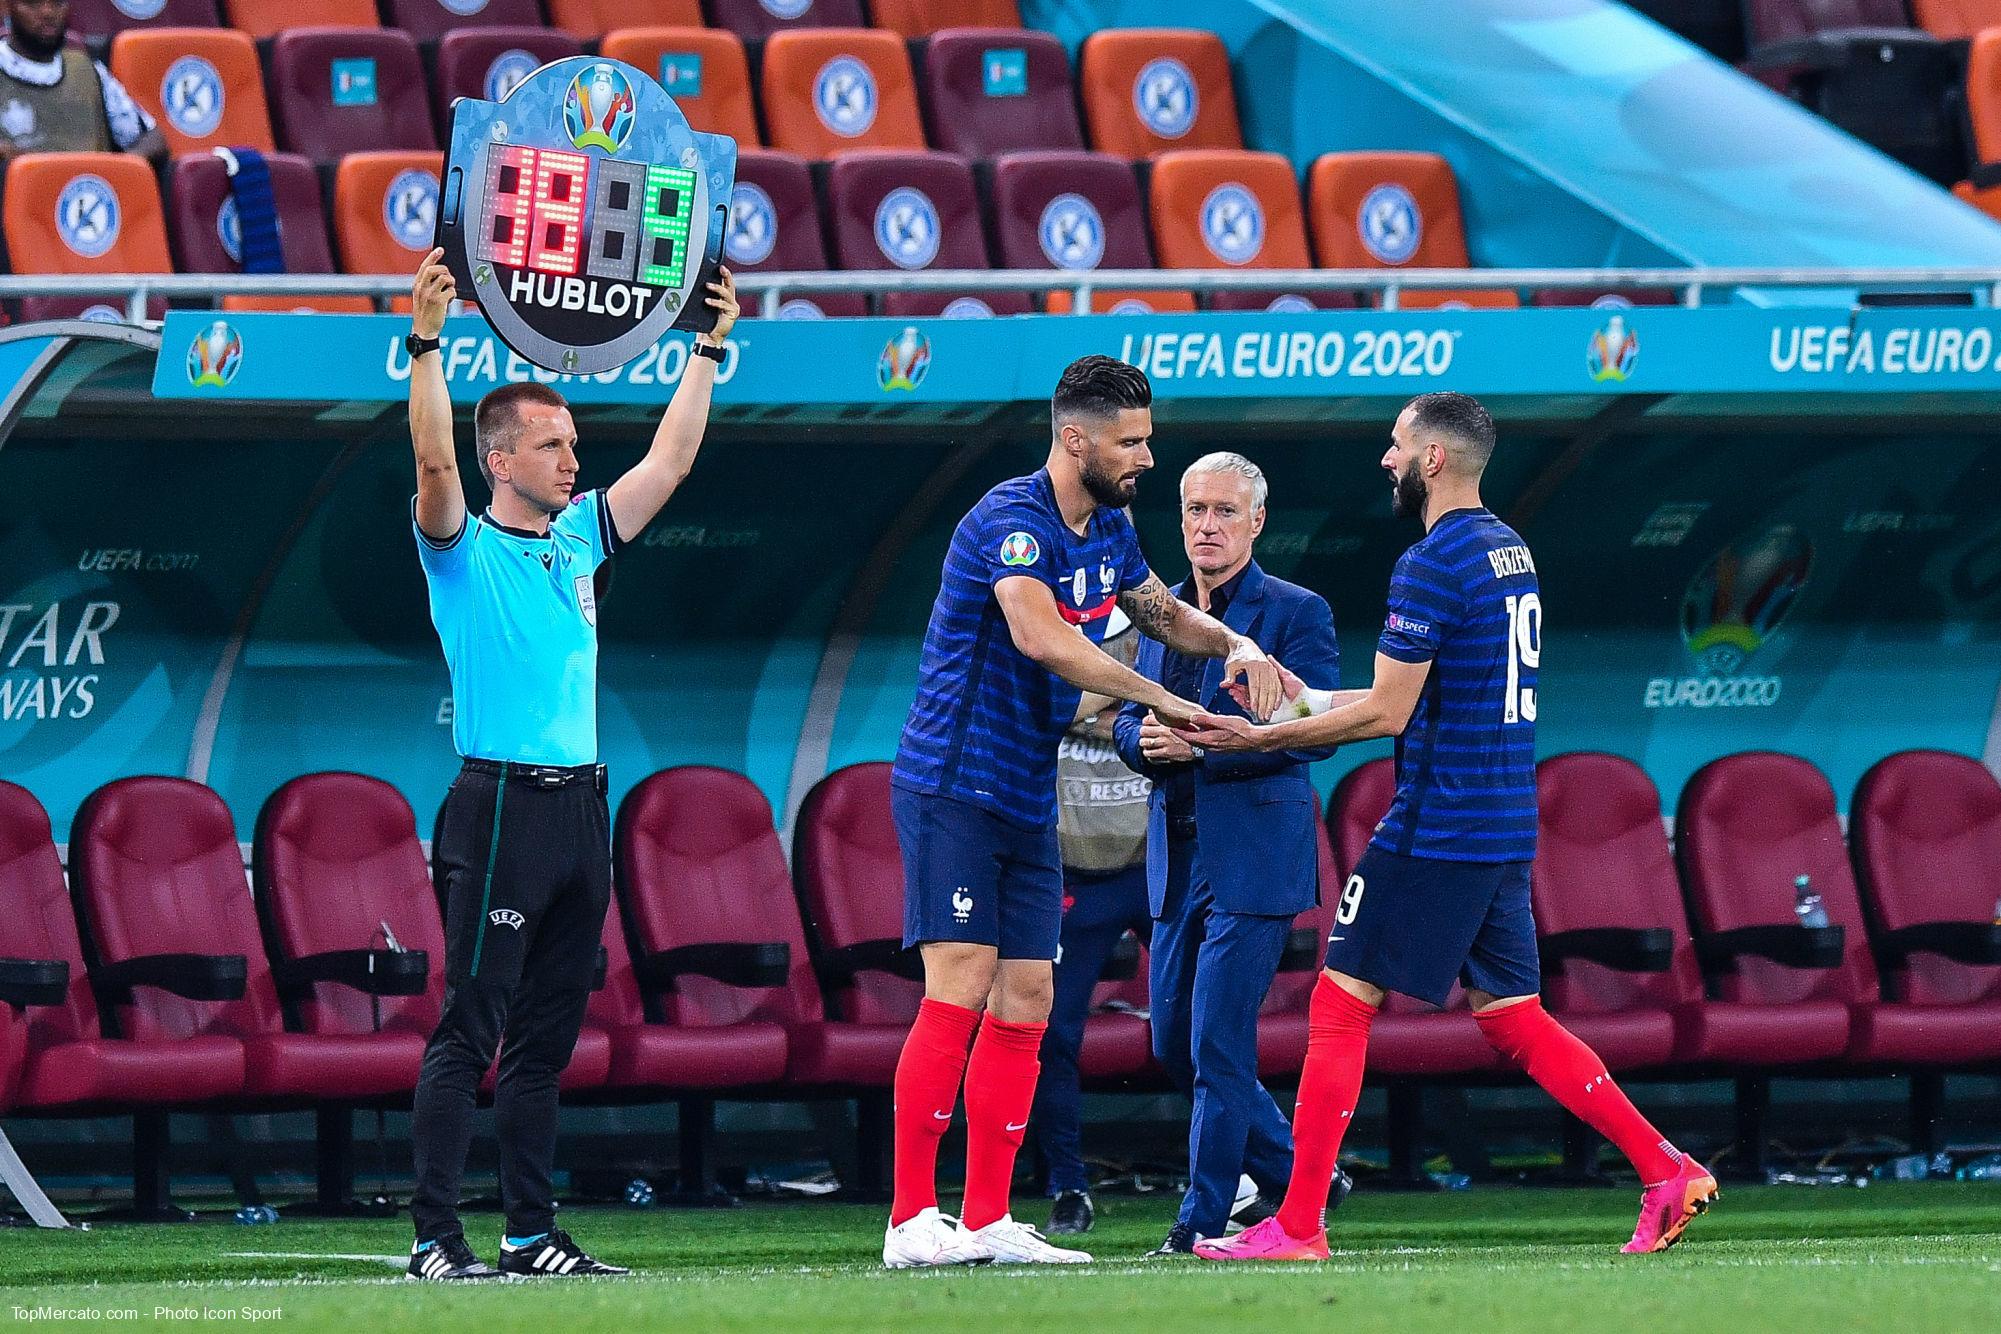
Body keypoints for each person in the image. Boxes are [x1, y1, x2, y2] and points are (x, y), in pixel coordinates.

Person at [1180, 392, 1716, 1262]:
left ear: (1432, 459)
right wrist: (1299, 696)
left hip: (1438, 823)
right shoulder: (1509, 549)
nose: (1385, 461)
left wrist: (1260, 734)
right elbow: (1417, 695)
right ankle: (1664, 1168)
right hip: (1501, 820)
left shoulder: (1429, 562)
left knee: (1337, 1000)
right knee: (1509, 1015)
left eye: (1395, 446)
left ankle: (1298, 1225)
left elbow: (1390, 715)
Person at [882, 355, 1284, 1269]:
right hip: (952, 783)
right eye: (1131, 441)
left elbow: (1158, 610)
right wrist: (1171, 702)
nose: (1146, 456)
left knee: (1028, 995)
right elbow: (1042, 638)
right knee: (960, 985)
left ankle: (984, 1218)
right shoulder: (1009, 518)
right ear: (1075, 438)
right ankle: (911, 1219)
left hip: (1025, 792)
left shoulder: (1110, 524)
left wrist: (1235, 640)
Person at [402, 248, 739, 1281]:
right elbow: (432, 465)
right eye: (552, 445)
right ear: (501, 460)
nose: (572, 460)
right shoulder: (461, 545)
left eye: (573, 443)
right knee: (472, 1025)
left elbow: (670, 466)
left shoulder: (578, 540)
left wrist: (710, 350)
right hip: (497, 803)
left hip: (579, 808)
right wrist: (425, 346)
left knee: (547, 1039)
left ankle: (527, 1231)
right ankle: (432, 1238)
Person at [1114, 452, 1349, 1256]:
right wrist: (1142, 742)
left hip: (1252, 858)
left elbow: (1312, 732)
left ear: (1255, 522)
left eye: (1222, 512)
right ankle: (1301, 1175)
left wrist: (1203, 750)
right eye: (1192, 511)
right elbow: (1124, 718)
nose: (1205, 526)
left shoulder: (1297, 612)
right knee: (1169, 1043)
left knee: (1216, 1042)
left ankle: (1201, 1221)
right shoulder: (1157, 611)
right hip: (1175, 859)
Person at [1034, 609, 1153, 1237]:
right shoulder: (1031, 617)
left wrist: (1089, 703)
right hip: (1073, 872)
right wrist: (1128, 700)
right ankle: (1067, 1185)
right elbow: (1040, 706)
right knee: (1052, 1035)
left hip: (1154, 864)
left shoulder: (1160, 620)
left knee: (1204, 1022)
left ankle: (1255, 1171)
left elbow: (1172, 720)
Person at [0, 0, 164, 163]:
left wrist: (114, 168)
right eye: (33, 3)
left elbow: (153, 138)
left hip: (87, 185)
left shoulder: (89, 70)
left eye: (58, 3)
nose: (48, 12)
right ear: (6, 7)